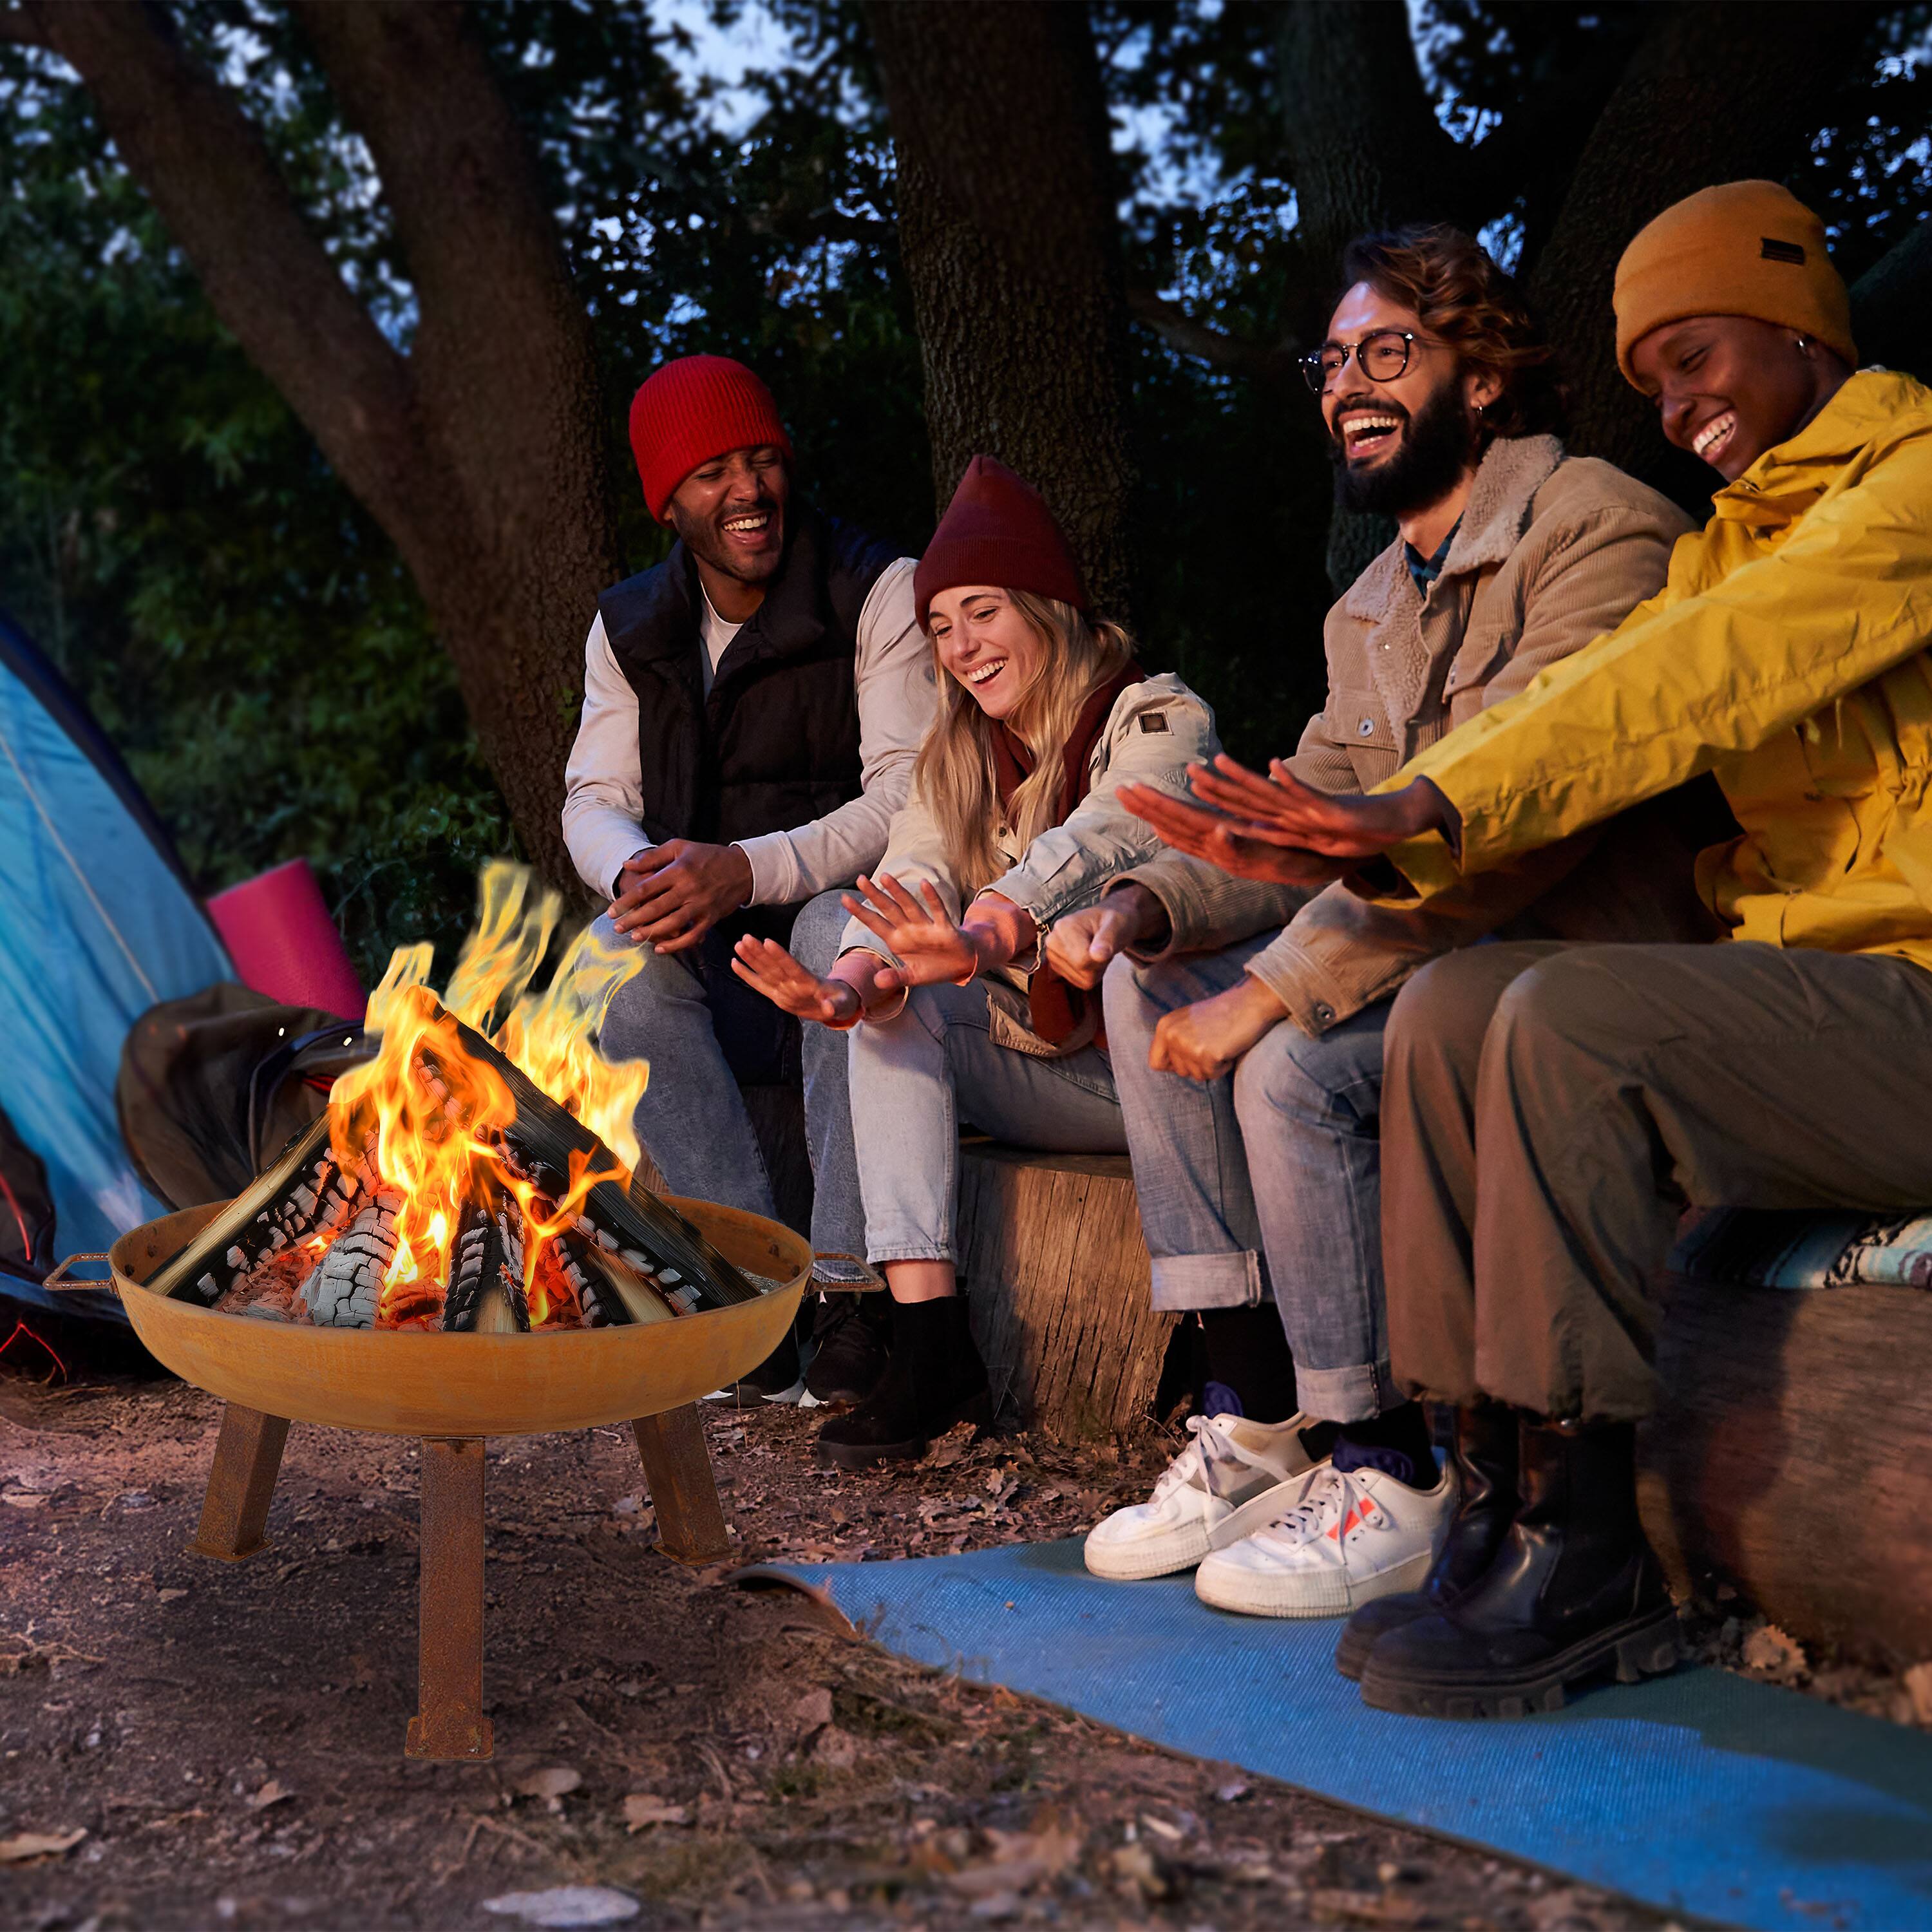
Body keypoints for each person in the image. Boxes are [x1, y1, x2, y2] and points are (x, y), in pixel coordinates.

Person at [1142, 181, 1932, 1715]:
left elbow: (1695, 680)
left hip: (1910, 1005)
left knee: (1566, 1017)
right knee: (1451, 1011)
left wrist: (1431, 799)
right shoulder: (1727, 540)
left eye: (1697, 358)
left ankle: (1593, 1544)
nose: (1680, 404)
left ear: (1798, 327)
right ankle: (1482, 1490)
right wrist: (1341, 826)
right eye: (1652, 381)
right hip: (1821, 1005)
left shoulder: (1907, 488)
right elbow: (1637, 675)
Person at [1059, 226, 1705, 1618]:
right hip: (1440, 959)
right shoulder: (1370, 604)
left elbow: (1518, 823)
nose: (1349, 384)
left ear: (1483, 378)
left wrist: (1273, 993)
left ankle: (1389, 1461)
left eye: (1388, 353)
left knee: (1292, 1064)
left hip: (1580, 970)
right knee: (1145, 983)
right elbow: (1310, 824)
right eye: (1330, 362)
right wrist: (1151, 903)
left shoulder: (1600, 523)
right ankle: (1256, 1407)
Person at [732, 456, 1221, 1466]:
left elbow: (1102, 834)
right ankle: (931, 1349)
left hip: (1159, 1073)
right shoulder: (955, 754)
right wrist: (847, 985)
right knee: (887, 1014)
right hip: (1042, 1069)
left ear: (1047, 605)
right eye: (942, 626)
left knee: (1105, 977)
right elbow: (904, 883)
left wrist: (992, 926)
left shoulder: (1159, 715)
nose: (961, 648)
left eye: (983, 613)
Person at [565, 355, 934, 1404]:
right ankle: (741, 1299)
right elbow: (590, 795)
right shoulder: (630, 625)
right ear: (668, 500)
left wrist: (745, 869)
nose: (749, 491)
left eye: (762, 459)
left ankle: (851, 1298)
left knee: (837, 932)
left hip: (838, 907)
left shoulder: (877, 588)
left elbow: (907, 801)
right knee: (608, 961)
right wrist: (638, 872)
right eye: (714, 472)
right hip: (711, 934)